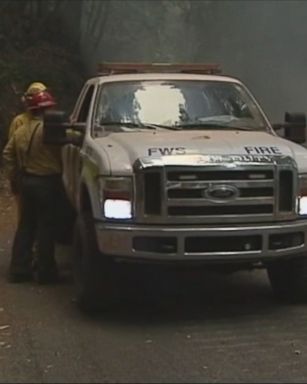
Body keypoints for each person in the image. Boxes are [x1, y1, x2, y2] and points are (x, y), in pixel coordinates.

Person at [2, 87, 63, 284]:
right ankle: (46, 272)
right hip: (47, 182)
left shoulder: (20, 130)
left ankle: (19, 269)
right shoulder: (51, 130)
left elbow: (7, 154)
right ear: (45, 109)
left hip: (26, 181)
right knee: (46, 227)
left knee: (26, 226)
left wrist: (16, 174)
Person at [8, 82, 48, 222]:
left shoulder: (47, 121)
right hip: (25, 173)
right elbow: (12, 151)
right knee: (25, 214)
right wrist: (14, 175)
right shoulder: (19, 122)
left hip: (36, 174)